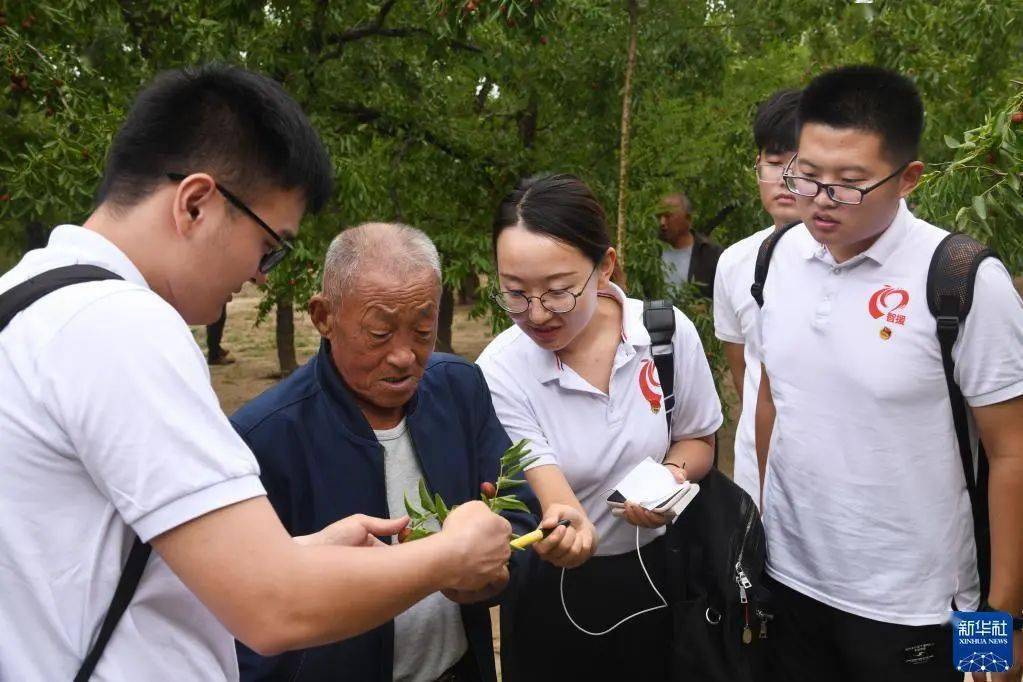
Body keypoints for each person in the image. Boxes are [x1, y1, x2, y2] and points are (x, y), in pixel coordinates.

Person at [0, 65, 511, 681]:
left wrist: (295, 554)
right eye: (269, 245)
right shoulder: (119, 327)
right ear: (195, 203)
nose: (263, 275)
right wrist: (450, 555)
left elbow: (92, 560)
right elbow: (273, 608)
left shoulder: (27, 302)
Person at [754, 66, 1023, 681]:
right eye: (808, 175)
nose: (821, 199)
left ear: (908, 179)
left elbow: (1013, 455)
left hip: (923, 610)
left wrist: (1002, 629)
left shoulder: (960, 280)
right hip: (793, 588)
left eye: (849, 184)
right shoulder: (777, 259)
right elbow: (774, 400)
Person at [232, 222, 536, 682]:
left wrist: (496, 568)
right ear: (323, 317)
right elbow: (247, 603)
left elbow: (518, 506)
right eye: (379, 332)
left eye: (422, 330)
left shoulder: (457, 388)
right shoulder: (264, 436)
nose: (403, 356)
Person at [477, 173, 724, 681]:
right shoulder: (501, 370)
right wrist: (569, 532)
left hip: (662, 576)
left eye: (559, 291)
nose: (537, 313)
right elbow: (557, 500)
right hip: (556, 594)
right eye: (515, 294)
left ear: (605, 266)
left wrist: (671, 477)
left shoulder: (664, 334)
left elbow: (699, 438)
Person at [712, 88, 802, 505]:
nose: (786, 179)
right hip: (757, 473)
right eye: (774, 162)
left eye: (801, 164)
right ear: (757, 167)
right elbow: (744, 374)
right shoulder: (734, 262)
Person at [657, 190, 723, 298]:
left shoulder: (710, 254)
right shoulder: (651, 252)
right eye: (659, 216)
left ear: (688, 219)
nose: (662, 222)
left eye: (668, 216)